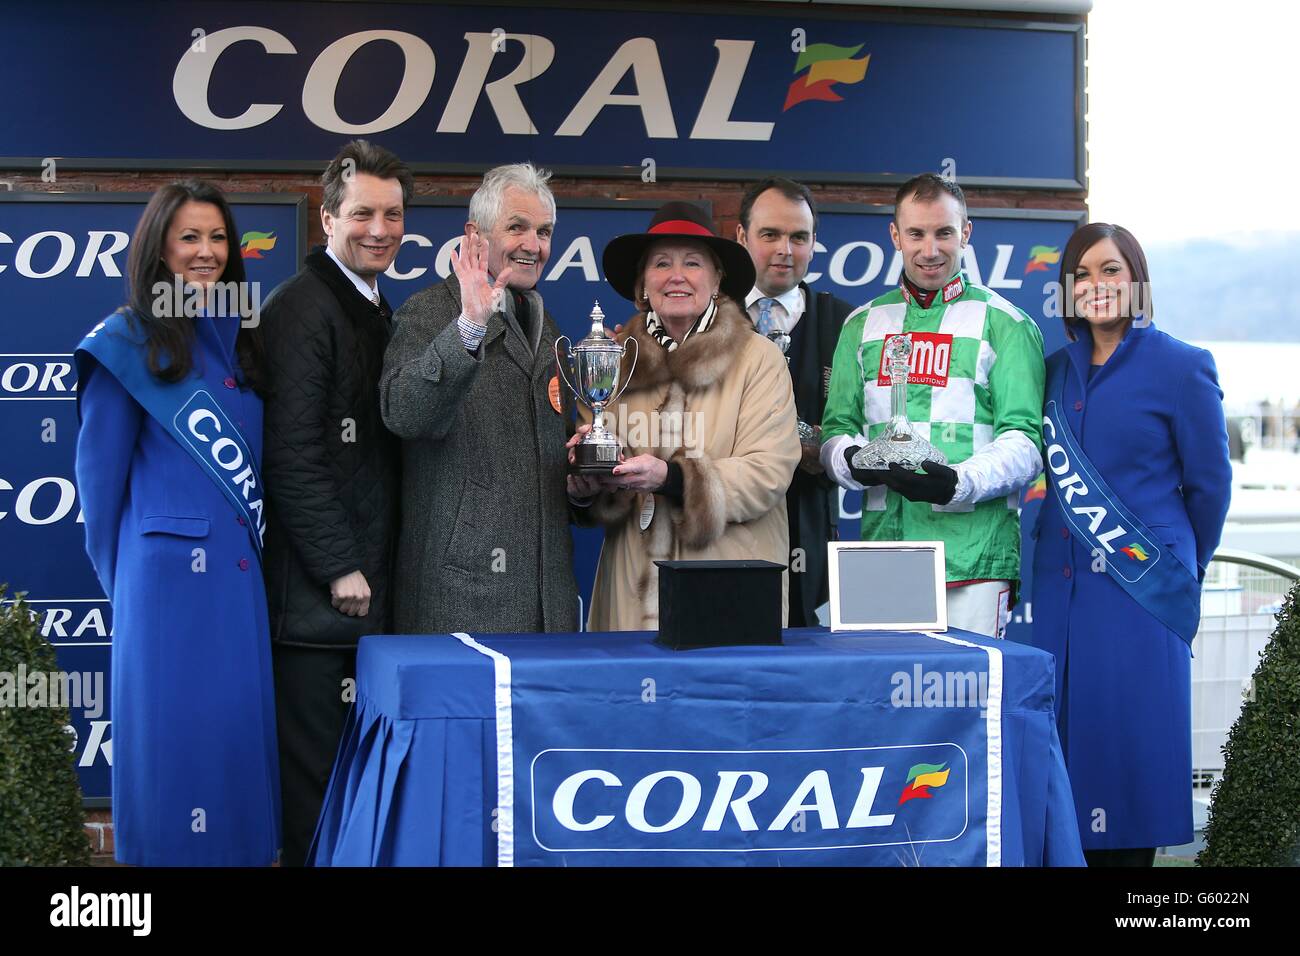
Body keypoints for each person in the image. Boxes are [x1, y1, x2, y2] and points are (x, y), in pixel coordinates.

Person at [74, 181, 279, 865]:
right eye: (190, 237)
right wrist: (133, 587)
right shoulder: (125, 342)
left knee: (232, 747)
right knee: (172, 751)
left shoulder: (239, 339)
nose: (207, 252)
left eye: (218, 237)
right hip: (166, 592)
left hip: (239, 585)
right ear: (159, 247)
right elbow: (99, 495)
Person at [1028, 223, 1231, 867]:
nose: (1097, 286)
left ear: (1137, 281)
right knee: (1059, 764)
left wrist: (1179, 569)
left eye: (1111, 271)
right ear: (1065, 291)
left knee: (1128, 765)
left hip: (1141, 595)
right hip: (1057, 594)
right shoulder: (1050, 371)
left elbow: (1210, 488)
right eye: (1082, 275)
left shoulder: (1182, 365)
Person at [260, 140, 407, 866]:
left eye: (392, 214)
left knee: (357, 796)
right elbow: (290, 456)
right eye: (361, 214)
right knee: (316, 800)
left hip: (363, 608)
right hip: (320, 610)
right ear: (327, 218)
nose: (378, 229)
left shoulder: (378, 307)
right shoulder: (301, 309)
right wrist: (340, 565)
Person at [820, 174, 1045, 638]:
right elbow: (835, 430)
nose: (930, 249)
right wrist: (855, 463)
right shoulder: (861, 325)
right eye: (917, 234)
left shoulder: (1007, 323)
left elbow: (1025, 442)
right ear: (895, 236)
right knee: (882, 703)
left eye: (944, 232)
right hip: (884, 549)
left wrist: (957, 484)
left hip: (974, 554)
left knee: (971, 701)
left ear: (965, 232)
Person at [569, 201, 802, 630]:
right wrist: (587, 486)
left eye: (693, 263)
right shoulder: (612, 364)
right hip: (630, 596)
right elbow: (597, 474)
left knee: (722, 696)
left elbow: (767, 473)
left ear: (717, 280)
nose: (676, 276)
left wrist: (672, 478)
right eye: (661, 264)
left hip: (727, 590)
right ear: (643, 283)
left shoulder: (759, 359)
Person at [380, 163, 578, 633]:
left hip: (548, 601)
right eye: (517, 227)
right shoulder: (428, 312)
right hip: (461, 596)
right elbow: (403, 412)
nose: (533, 245)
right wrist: (469, 324)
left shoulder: (549, 328)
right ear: (475, 236)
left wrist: (583, 486)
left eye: (544, 231)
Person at [736, 177, 855, 626]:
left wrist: (818, 444)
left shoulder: (846, 322)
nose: (785, 249)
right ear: (742, 237)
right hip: (728, 531)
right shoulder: (709, 318)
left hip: (812, 529)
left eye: (798, 237)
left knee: (808, 669)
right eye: (770, 235)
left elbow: (864, 434)